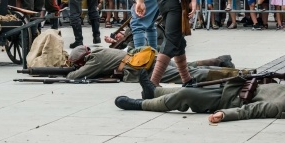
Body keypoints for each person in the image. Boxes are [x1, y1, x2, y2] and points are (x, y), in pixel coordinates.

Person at [115, 72, 285, 123]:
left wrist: (224, 114)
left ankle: (141, 104)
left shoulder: (281, 106)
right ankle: (154, 92)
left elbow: (249, 111)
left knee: (185, 94)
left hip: (226, 100)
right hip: (233, 88)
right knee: (192, 87)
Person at [67, 45, 239, 84]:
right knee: (188, 68)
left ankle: (238, 74)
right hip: (149, 58)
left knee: (187, 74)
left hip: (143, 67)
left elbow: (75, 76)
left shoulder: (94, 60)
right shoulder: (99, 51)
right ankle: (221, 63)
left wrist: (71, 71)